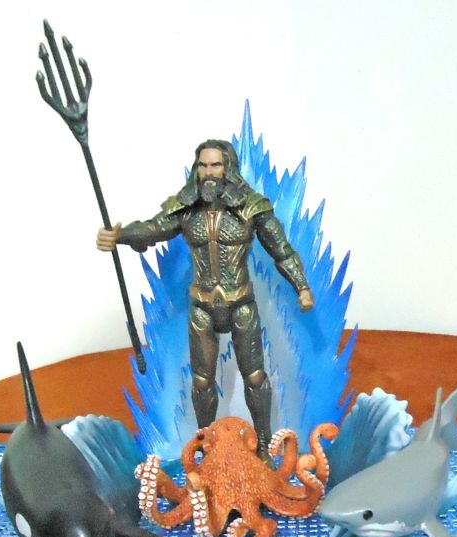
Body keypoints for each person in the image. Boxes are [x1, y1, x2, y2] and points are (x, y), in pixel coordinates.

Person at [97, 139, 314, 457]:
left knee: (255, 377)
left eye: (216, 165)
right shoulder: (186, 209)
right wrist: (121, 236)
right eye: (203, 165)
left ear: (228, 168)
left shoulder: (251, 207)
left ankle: (264, 445)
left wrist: (302, 287)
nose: (209, 172)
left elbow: (281, 249)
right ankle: (207, 447)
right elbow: (153, 229)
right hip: (202, 308)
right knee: (201, 382)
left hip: (241, 304)